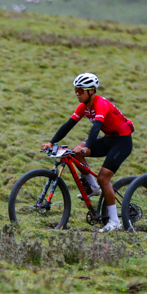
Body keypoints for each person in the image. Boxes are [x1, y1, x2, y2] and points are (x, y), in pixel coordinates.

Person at [40, 72, 134, 231]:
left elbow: (96, 127)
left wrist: (87, 146)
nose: (77, 94)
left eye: (80, 91)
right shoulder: (83, 107)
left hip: (122, 142)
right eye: (75, 90)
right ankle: (93, 187)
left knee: (104, 178)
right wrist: (51, 142)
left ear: (91, 91)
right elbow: (68, 125)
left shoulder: (101, 104)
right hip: (109, 138)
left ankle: (114, 222)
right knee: (76, 153)